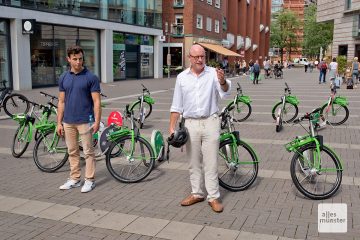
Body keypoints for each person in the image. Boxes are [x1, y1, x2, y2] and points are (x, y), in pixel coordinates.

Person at [169, 44, 231, 213]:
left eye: (202, 56)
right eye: (196, 57)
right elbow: (176, 105)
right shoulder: (182, 77)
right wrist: (172, 127)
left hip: (211, 121)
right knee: (193, 162)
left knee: (211, 162)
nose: (200, 59)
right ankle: (197, 193)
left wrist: (223, 81)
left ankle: (213, 197)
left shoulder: (213, 73)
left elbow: (225, 91)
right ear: (189, 58)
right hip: (190, 124)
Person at [57, 45, 101, 193]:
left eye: (80, 59)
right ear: (68, 59)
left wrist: (96, 121)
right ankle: (75, 179)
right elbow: (61, 102)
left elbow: (96, 102)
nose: (78, 62)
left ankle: (89, 180)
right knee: (72, 151)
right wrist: (59, 122)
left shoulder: (91, 77)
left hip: (85, 120)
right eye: (75, 59)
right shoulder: (63, 77)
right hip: (68, 121)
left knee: (88, 151)